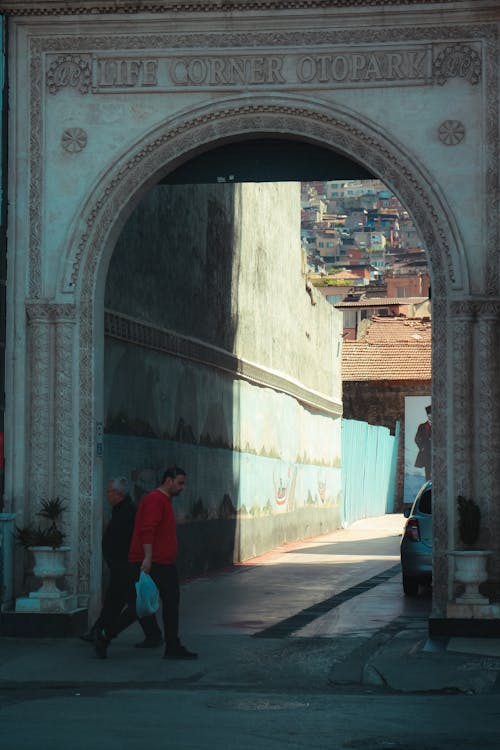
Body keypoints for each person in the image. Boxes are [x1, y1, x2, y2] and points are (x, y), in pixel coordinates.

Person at [127, 465, 197, 660]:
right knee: (146, 604)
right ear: (169, 480)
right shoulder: (155, 500)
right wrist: (148, 558)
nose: (182, 487)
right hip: (156, 563)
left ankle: (172, 645)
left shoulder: (163, 501)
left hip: (161, 562)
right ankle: (105, 633)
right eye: (180, 483)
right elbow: (147, 530)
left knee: (156, 603)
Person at [90, 477, 161, 659]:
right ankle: (100, 630)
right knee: (117, 601)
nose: (107, 495)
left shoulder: (127, 512)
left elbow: (127, 539)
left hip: (126, 565)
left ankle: (105, 633)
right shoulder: (122, 510)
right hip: (121, 565)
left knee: (132, 603)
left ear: (118, 494)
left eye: (110, 492)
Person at [414, 404, 432, 480]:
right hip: (426, 453)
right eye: (429, 415)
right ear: (427, 415)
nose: (431, 416)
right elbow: (417, 438)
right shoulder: (422, 426)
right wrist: (422, 448)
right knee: (427, 471)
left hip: (436, 453)